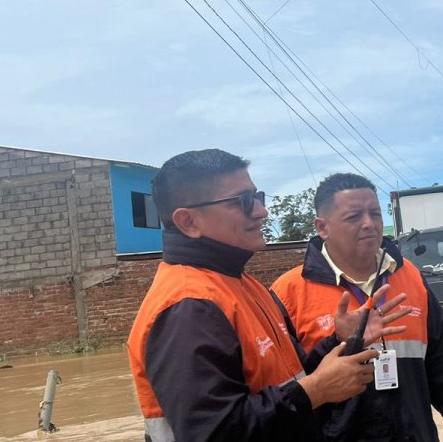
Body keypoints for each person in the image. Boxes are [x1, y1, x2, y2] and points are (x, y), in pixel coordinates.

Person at [128, 149, 410, 442]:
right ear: (188, 222)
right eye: (243, 202)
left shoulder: (244, 286)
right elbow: (214, 432)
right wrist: (314, 392)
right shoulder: (189, 307)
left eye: (258, 197)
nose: (262, 212)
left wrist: (337, 342)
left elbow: (288, 378)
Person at [271, 173, 443, 442]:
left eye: (375, 214)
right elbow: (286, 391)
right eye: (354, 216)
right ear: (323, 227)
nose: (369, 224)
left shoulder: (411, 276)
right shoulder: (289, 293)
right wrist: (340, 342)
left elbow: (441, 354)